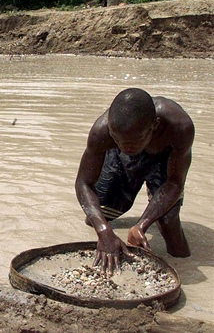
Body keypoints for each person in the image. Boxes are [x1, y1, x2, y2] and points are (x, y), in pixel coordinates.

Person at [75, 88, 193, 275]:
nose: (124, 147)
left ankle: (184, 270)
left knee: (169, 224)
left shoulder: (180, 127)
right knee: (97, 216)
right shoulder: (102, 132)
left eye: (133, 141)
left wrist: (142, 225)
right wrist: (104, 231)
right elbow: (83, 183)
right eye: (117, 140)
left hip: (165, 159)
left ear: (155, 125)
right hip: (122, 160)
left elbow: (175, 183)